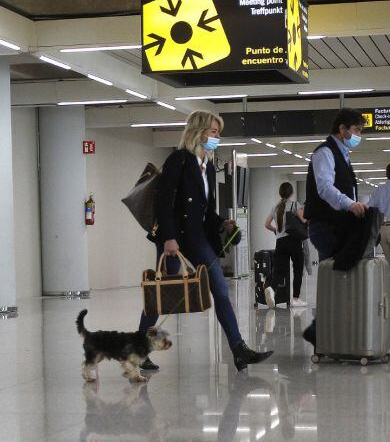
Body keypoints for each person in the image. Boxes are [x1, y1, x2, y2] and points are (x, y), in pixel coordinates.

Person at [138, 110, 273, 371]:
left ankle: (238, 349)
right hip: (175, 237)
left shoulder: (208, 167)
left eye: (218, 134)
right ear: (198, 132)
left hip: (198, 236)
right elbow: (164, 202)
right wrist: (167, 238)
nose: (216, 138)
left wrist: (222, 222)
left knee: (221, 290)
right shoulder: (179, 160)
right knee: (161, 292)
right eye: (213, 132)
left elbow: (205, 210)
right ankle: (139, 349)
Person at [300, 108, 369, 346]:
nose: (358, 135)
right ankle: (322, 332)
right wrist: (350, 204)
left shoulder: (343, 155)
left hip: (337, 225)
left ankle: (325, 331)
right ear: (342, 129)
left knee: (339, 279)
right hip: (325, 226)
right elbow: (325, 188)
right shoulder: (325, 153)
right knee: (336, 279)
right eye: (357, 130)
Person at [264, 182, 308, 308]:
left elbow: (266, 224)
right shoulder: (295, 205)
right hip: (294, 241)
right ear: (291, 193)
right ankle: (295, 299)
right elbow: (304, 220)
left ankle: (272, 289)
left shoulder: (276, 207)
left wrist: (276, 231)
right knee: (298, 269)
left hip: (280, 242)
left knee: (279, 270)